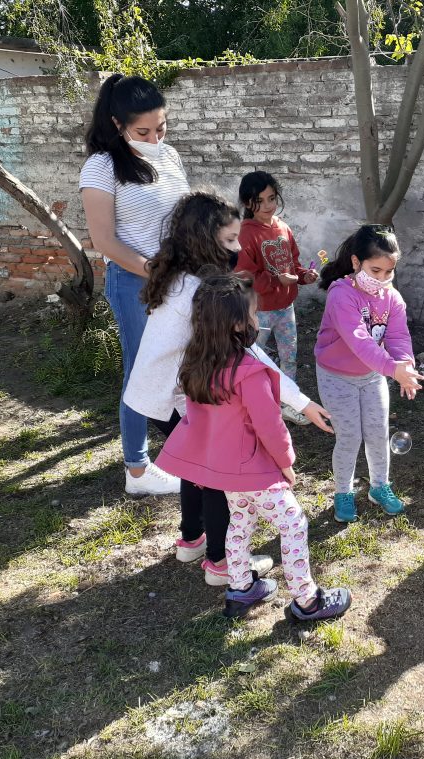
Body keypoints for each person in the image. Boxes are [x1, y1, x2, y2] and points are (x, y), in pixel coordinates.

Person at [123, 192, 333, 586]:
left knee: (197, 467)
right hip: (172, 397)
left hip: (154, 394)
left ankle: (192, 540)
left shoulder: (182, 277)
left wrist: (301, 403)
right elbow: (256, 358)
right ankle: (220, 563)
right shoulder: (204, 293)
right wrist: (303, 403)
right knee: (218, 477)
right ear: (204, 239)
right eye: (230, 241)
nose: (238, 248)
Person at [156, 274, 352, 620]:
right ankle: (307, 600)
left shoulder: (196, 364)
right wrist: (286, 463)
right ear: (236, 323)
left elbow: (195, 421)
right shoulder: (250, 372)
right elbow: (271, 426)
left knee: (241, 523)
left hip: (224, 471)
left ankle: (241, 587)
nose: (257, 319)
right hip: (255, 470)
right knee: (293, 524)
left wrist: (201, 467)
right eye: (253, 313)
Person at [80, 74, 189, 495]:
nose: (154, 137)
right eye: (143, 131)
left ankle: (191, 447)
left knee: (183, 366)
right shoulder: (101, 167)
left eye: (161, 127)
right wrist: (154, 269)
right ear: (116, 123)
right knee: (142, 371)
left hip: (180, 280)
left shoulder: (170, 157)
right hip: (135, 284)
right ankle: (138, 470)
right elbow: (104, 241)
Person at [314, 225, 423, 524]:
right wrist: (393, 369)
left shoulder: (392, 298)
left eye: (388, 272)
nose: (382, 279)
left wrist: (406, 367)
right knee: (349, 437)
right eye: (375, 271)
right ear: (355, 262)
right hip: (337, 376)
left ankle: (379, 487)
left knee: (377, 434)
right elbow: (360, 341)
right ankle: (343, 492)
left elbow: (399, 337)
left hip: (373, 376)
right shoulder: (341, 295)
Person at [236, 171, 320, 426]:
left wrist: (305, 276)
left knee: (289, 356)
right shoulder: (245, 234)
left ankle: (289, 404)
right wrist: (276, 281)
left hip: (285, 307)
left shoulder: (283, 227)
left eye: (272, 198)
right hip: (258, 311)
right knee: (252, 358)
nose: (268, 206)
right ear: (247, 203)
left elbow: (292, 264)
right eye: (259, 201)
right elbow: (244, 275)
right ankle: (248, 404)